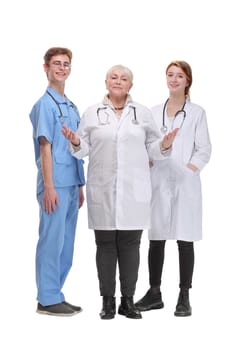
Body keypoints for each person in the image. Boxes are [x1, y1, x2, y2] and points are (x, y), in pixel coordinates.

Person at [61, 64, 178, 320]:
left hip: (133, 192)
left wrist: (165, 144)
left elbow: (153, 149)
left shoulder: (142, 113)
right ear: (106, 82)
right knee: (104, 246)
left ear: (130, 86)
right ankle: (108, 302)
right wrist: (75, 140)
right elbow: (82, 150)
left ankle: (128, 301)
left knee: (130, 246)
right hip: (102, 190)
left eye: (124, 78)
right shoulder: (92, 113)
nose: (118, 81)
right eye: (114, 77)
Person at [135, 60, 212, 317]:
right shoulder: (154, 112)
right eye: (170, 75)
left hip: (184, 183)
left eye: (179, 75)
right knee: (155, 238)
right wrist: (152, 155)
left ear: (188, 80)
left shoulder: (197, 112)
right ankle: (154, 293)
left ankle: (184, 295)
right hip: (157, 180)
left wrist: (190, 171)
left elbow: (204, 149)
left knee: (184, 238)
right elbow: (147, 146)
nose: (174, 79)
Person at [29, 47, 85, 317]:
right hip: (55, 184)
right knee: (52, 241)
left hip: (71, 182)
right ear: (46, 68)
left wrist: (80, 184)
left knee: (67, 243)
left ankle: (55, 293)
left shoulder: (70, 105)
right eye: (56, 64)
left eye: (66, 64)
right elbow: (45, 148)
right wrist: (49, 187)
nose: (62, 68)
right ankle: (47, 297)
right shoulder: (45, 105)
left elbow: (76, 145)